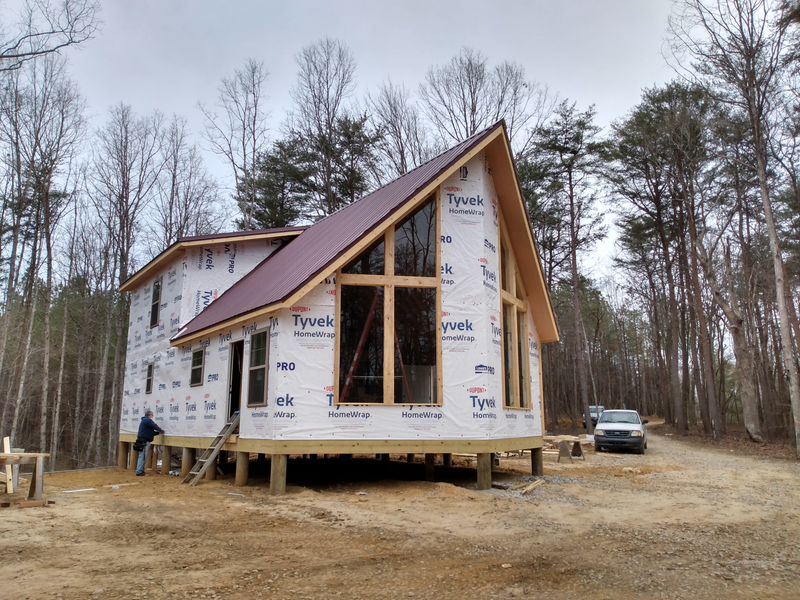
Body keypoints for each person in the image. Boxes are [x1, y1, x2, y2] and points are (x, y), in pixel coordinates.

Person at [135, 410, 164, 476]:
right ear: (150, 415)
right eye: (152, 415)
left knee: (142, 456)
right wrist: (160, 430)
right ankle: (139, 471)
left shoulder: (144, 421)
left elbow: (150, 432)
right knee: (143, 456)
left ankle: (140, 469)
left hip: (142, 440)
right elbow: (154, 426)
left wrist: (158, 433)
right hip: (144, 441)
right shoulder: (147, 420)